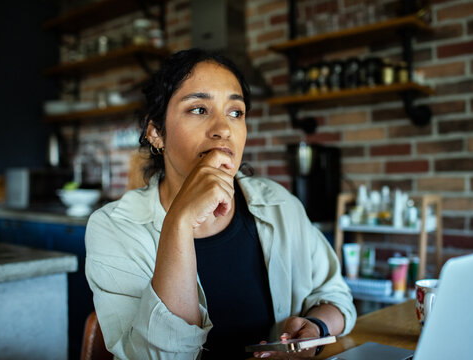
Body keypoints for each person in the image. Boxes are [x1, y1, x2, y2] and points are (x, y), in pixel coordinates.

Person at [85, 48, 356, 360]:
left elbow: (335, 296)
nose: (223, 129)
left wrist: (316, 328)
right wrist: (180, 223)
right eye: (199, 109)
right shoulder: (115, 227)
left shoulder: (279, 205)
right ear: (156, 133)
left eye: (235, 112)